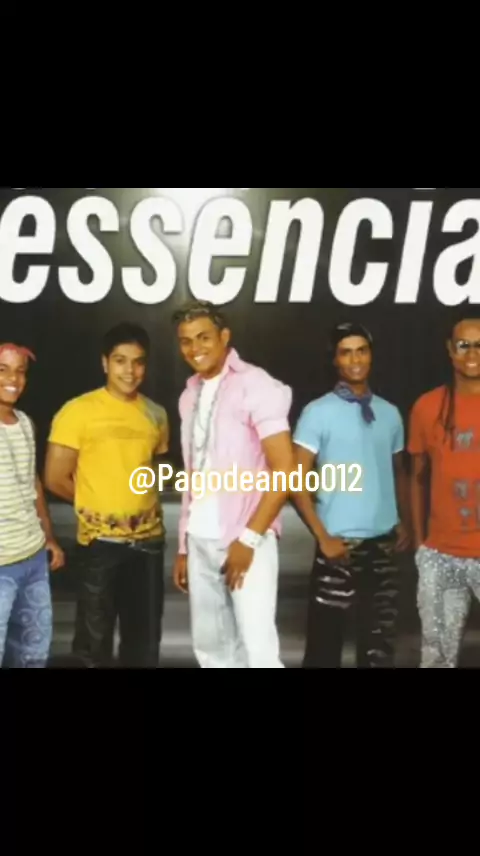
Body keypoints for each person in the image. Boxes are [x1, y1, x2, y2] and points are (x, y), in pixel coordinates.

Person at [172, 300, 295, 669]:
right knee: (211, 651)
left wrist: (249, 539)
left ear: (224, 336)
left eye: (204, 337)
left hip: (246, 537)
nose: (195, 348)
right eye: (186, 341)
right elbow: (193, 474)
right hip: (200, 538)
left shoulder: (256, 385)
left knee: (258, 651)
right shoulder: (189, 395)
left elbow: (285, 469)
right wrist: (184, 546)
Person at [44, 324, 169, 669]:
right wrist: (101, 508)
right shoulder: (77, 411)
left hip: (148, 545)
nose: (130, 371)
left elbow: (153, 472)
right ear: (105, 363)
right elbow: (55, 478)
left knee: (143, 645)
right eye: (120, 360)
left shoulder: (156, 414)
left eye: (138, 362)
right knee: (93, 646)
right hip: (100, 546)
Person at [293, 323, 410, 669]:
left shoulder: (389, 413)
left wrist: (402, 520)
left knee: (379, 649)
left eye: (362, 350)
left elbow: (397, 471)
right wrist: (323, 537)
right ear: (335, 360)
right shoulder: (317, 412)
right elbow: (295, 481)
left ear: (371, 355)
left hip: (383, 545)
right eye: (346, 352)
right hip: (338, 546)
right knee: (324, 648)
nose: (355, 359)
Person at [409, 315, 480, 668]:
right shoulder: (427, 407)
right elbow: (417, 477)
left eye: (479, 345)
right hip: (441, 554)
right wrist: (421, 545)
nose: (472, 353)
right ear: (451, 350)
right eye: (464, 345)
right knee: (437, 657)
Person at [0, 343, 65, 668]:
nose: (13, 379)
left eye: (20, 371)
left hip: (33, 559)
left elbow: (33, 484)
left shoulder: (26, 423)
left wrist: (49, 537)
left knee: (33, 656)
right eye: (3, 370)